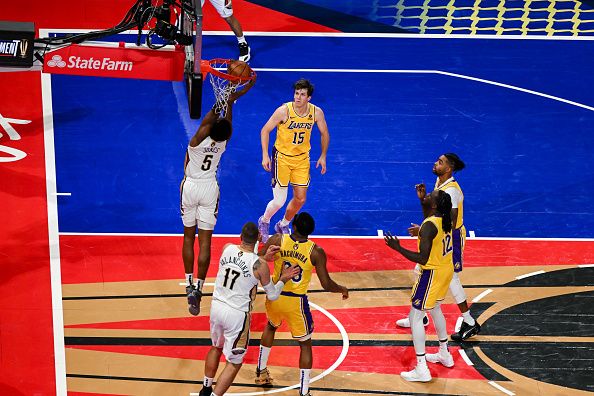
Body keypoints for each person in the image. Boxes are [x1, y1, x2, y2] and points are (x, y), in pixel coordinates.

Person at [198, 222, 300, 396]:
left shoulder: (227, 248)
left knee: (215, 347)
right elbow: (273, 295)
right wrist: (283, 278)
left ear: (240, 236)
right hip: (237, 314)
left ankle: (206, 388)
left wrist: (262, 256)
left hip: (216, 307)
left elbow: (245, 258)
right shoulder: (259, 265)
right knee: (235, 362)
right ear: (259, 239)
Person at [181, 79, 255, 316]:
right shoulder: (223, 144)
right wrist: (231, 103)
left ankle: (188, 283)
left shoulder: (196, 142)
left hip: (191, 187)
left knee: (188, 237)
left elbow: (208, 120)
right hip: (209, 189)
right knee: (205, 242)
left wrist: (222, 100)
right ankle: (199, 289)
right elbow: (227, 126)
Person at [254, 212, 348, 396]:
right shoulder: (316, 251)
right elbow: (326, 284)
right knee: (305, 345)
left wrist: (267, 254)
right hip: (296, 302)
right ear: (310, 230)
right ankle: (304, 392)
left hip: (275, 294)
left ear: (294, 227)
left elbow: (258, 258)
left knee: (271, 326)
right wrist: (342, 288)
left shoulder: (278, 239)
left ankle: (260, 371)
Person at [398, 153, 481, 342]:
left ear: (449, 168)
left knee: (451, 278)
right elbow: (435, 212)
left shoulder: (451, 191)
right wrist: (423, 204)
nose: (436, 163)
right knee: (420, 270)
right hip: (440, 232)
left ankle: (468, 321)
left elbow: (449, 222)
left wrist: (426, 230)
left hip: (450, 236)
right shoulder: (440, 181)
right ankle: (422, 313)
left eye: (440, 162)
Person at [384, 190, 455, 382]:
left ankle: (421, 368)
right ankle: (444, 354)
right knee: (436, 309)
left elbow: (422, 258)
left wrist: (397, 248)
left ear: (434, 205)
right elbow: (429, 228)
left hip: (431, 273)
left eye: (431, 195)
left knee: (416, 316)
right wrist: (422, 207)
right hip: (445, 269)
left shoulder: (429, 226)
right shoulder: (444, 219)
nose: (429, 194)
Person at [257, 79, 330, 242]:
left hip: (302, 160)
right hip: (281, 158)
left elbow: (325, 133)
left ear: (309, 98)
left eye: (302, 94)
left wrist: (323, 155)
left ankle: (283, 224)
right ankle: (264, 221)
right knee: (279, 201)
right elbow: (265, 130)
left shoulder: (316, 113)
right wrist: (265, 154)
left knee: (301, 198)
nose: (298, 97)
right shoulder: (284, 111)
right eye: (296, 93)